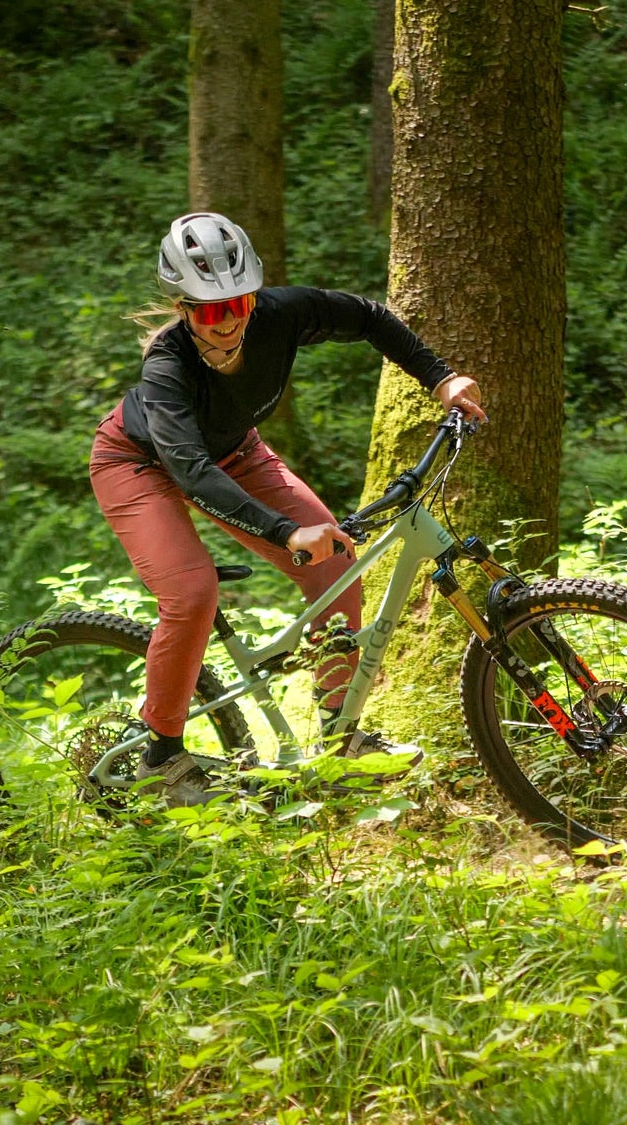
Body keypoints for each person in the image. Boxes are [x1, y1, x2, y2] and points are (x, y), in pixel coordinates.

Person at [89, 212, 485, 806]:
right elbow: (190, 471)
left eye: (239, 304)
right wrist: (285, 531)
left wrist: (441, 379)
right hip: (140, 464)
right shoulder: (167, 367)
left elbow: (367, 318)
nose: (228, 322)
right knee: (193, 593)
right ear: (182, 308)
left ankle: (340, 739)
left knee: (337, 565)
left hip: (235, 450)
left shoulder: (279, 314)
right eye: (209, 310)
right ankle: (161, 756)